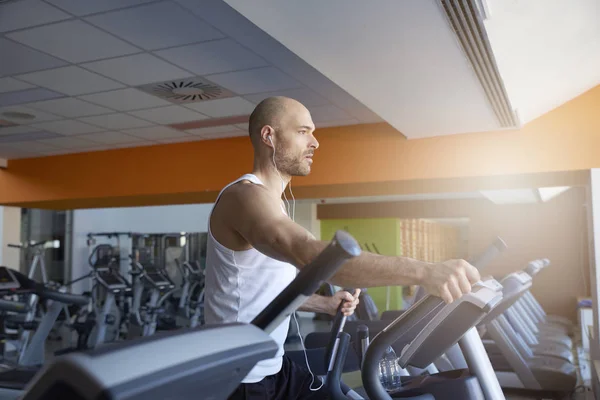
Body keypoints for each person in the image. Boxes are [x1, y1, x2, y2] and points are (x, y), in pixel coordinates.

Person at [204, 96, 481, 400]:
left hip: (274, 367)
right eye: (302, 131)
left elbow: (260, 292)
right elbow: (308, 252)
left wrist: (323, 304)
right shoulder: (245, 198)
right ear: (269, 136)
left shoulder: (273, 206)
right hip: (239, 379)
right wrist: (424, 271)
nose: (315, 142)